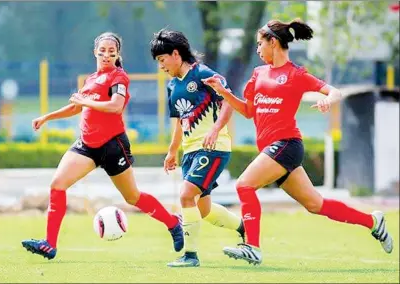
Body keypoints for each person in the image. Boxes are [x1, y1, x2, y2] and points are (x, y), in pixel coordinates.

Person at [202, 18, 393, 265]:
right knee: (315, 204)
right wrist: (224, 93)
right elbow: (249, 111)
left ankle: (253, 247)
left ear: (273, 42)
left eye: (260, 44)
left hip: (286, 144)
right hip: (275, 150)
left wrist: (327, 101)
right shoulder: (258, 74)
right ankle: (373, 221)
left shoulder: (296, 74)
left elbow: (334, 91)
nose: (258, 50)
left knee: (244, 185)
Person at [21, 32, 184, 260]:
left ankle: (173, 223)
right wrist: (47, 117)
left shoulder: (119, 77)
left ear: (118, 54)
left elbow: (115, 106)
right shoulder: (90, 79)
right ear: (95, 52)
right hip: (86, 146)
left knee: (132, 197)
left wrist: (86, 101)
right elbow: (76, 107)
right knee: (57, 185)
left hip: (112, 146)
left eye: (111, 51)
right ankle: (50, 244)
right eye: (102, 51)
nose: (106, 55)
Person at [150, 29, 245, 267]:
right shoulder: (172, 86)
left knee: (185, 195)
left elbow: (228, 103)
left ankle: (190, 256)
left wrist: (215, 130)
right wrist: (173, 151)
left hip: (213, 148)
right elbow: (180, 122)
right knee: (203, 209)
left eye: (162, 60)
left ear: (175, 54)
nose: (161, 66)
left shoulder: (203, 74)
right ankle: (244, 228)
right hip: (191, 151)